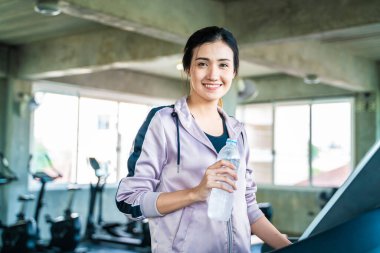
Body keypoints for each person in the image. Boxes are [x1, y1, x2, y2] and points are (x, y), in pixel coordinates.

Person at [116, 26, 291, 252]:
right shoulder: (163, 122)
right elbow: (128, 200)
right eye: (202, 63)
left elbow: (248, 206)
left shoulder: (238, 132)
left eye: (223, 65)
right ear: (188, 68)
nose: (213, 75)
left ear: (234, 72)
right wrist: (194, 193)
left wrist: (292, 247)